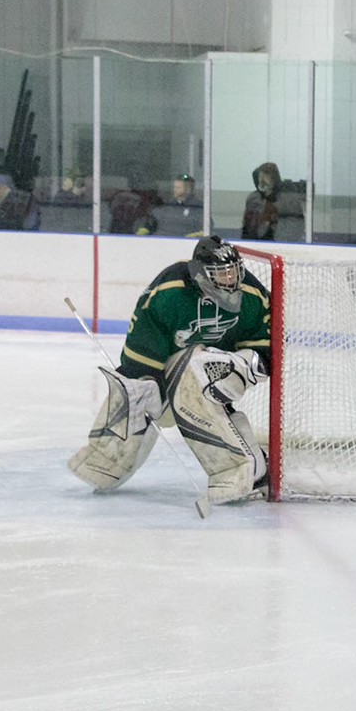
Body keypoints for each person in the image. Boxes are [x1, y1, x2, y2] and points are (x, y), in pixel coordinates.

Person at [67, 236, 272, 505]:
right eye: (221, 274)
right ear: (200, 274)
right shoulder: (169, 291)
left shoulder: (253, 295)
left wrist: (239, 371)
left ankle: (247, 470)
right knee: (135, 394)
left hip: (210, 373)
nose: (231, 280)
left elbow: (263, 351)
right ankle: (108, 460)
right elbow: (140, 359)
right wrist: (144, 393)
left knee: (197, 369)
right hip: (164, 371)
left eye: (233, 271)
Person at [241, 162, 283, 240]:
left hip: (277, 242)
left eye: (266, 175)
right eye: (260, 176)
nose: (262, 179)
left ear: (274, 178)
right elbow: (247, 225)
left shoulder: (284, 198)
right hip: (253, 241)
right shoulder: (253, 198)